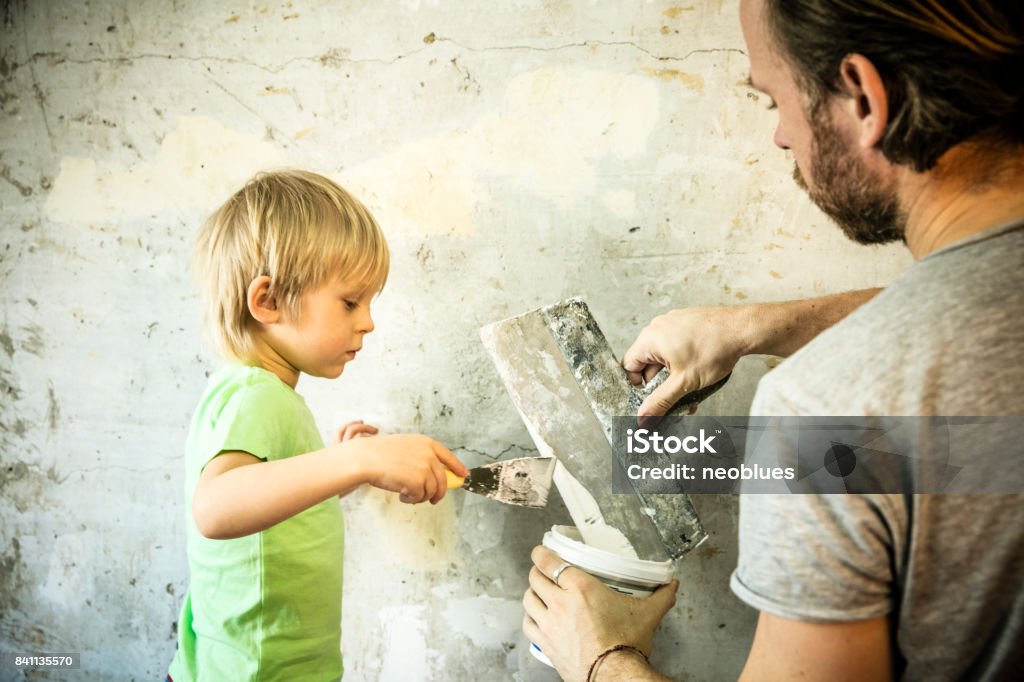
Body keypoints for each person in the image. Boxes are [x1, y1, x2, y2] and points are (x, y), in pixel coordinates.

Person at [523, 0, 1024, 680]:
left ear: (863, 97)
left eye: (773, 101)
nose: (782, 138)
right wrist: (761, 327)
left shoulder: (825, 408)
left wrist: (600, 656)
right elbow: (968, 320)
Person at [167, 170, 468, 681]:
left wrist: (340, 469)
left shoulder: (266, 396)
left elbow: (267, 508)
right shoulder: (253, 394)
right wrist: (357, 459)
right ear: (268, 301)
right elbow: (216, 509)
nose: (368, 321)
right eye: (351, 301)